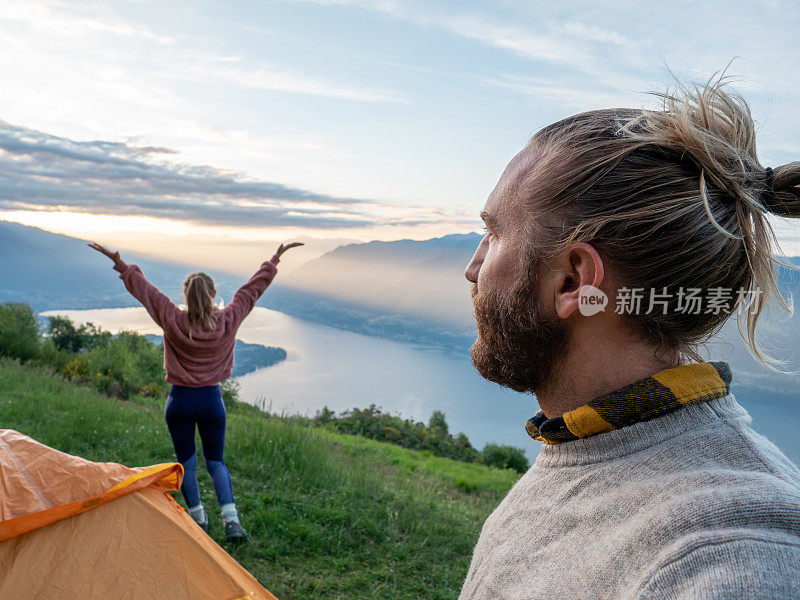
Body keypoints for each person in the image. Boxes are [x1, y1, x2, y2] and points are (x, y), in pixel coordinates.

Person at [460, 74, 800, 599]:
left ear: (573, 280)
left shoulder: (730, 556)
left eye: (495, 233)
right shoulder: (585, 445)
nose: (473, 267)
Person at [89, 241, 303, 541]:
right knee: (216, 461)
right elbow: (251, 291)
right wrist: (274, 260)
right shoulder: (228, 320)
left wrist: (121, 264)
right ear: (213, 294)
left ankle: (198, 519)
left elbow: (145, 292)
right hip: (212, 401)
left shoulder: (173, 319)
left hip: (180, 401)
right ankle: (232, 521)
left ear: (185, 296)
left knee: (186, 461)